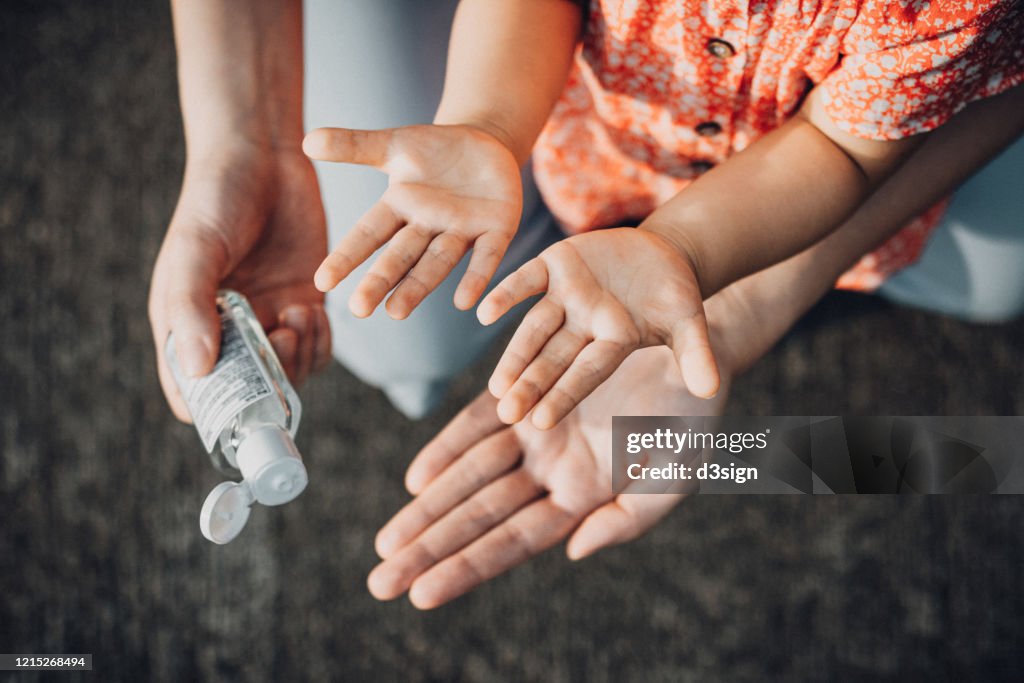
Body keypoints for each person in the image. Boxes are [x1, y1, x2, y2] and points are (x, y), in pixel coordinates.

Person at [149, 0, 1024, 609]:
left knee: (996, 282)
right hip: (590, 132)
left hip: (808, 151)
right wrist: (487, 123)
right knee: (389, 336)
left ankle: (744, 281)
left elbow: (846, 149)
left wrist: (704, 271)